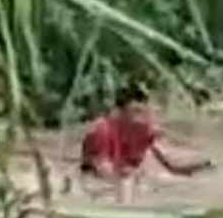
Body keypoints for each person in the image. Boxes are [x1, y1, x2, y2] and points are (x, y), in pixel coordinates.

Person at [80, 83, 212, 202]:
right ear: (119, 112)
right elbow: (101, 167)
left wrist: (198, 167)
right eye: (135, 112)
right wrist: (128, 175)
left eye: (143, 112)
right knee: (129, 181)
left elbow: (167, 161)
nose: (140, 118)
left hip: (130, 177)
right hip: (97, 181)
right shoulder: (102, 130)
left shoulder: (144, 129)